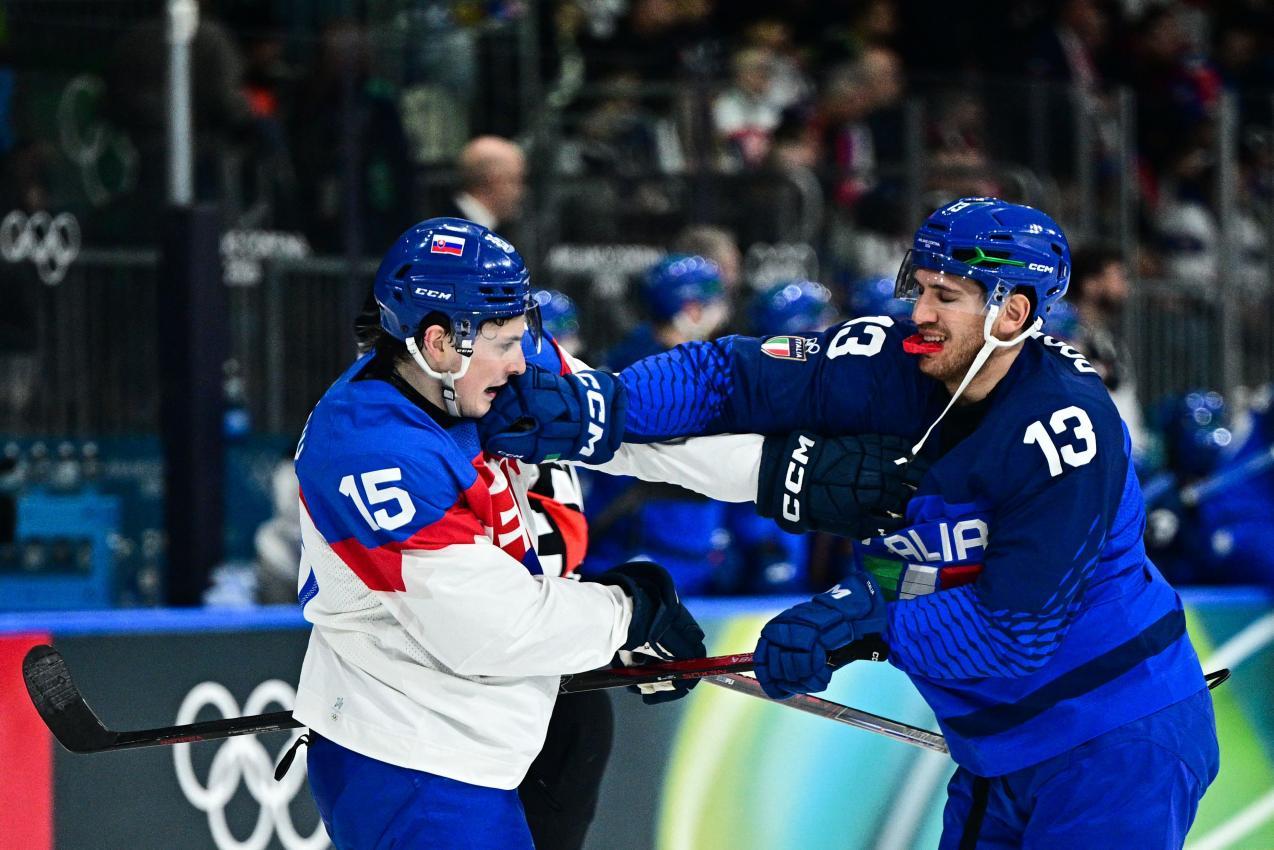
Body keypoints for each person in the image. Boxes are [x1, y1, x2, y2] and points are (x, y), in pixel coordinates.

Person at [480, 197, 1220, 847]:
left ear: (1012, 313)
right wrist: (604, 405)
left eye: (946, 296)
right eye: (919, 288)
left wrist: (861, 617)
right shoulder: (889, 359)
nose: (920, 312)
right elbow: (727, 377)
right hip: (1000, 747)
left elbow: (1015, 630)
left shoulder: (1065, 432)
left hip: (1115, 735)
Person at [290, 217, 707, 849]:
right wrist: (627, 614)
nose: (522, 362)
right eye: (506, 343)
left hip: (495, 732)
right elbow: (489, 629)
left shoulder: (475, 370)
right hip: (412, 759)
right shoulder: (372, 450)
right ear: (438, 343)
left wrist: (785, 471)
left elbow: (627, 427)